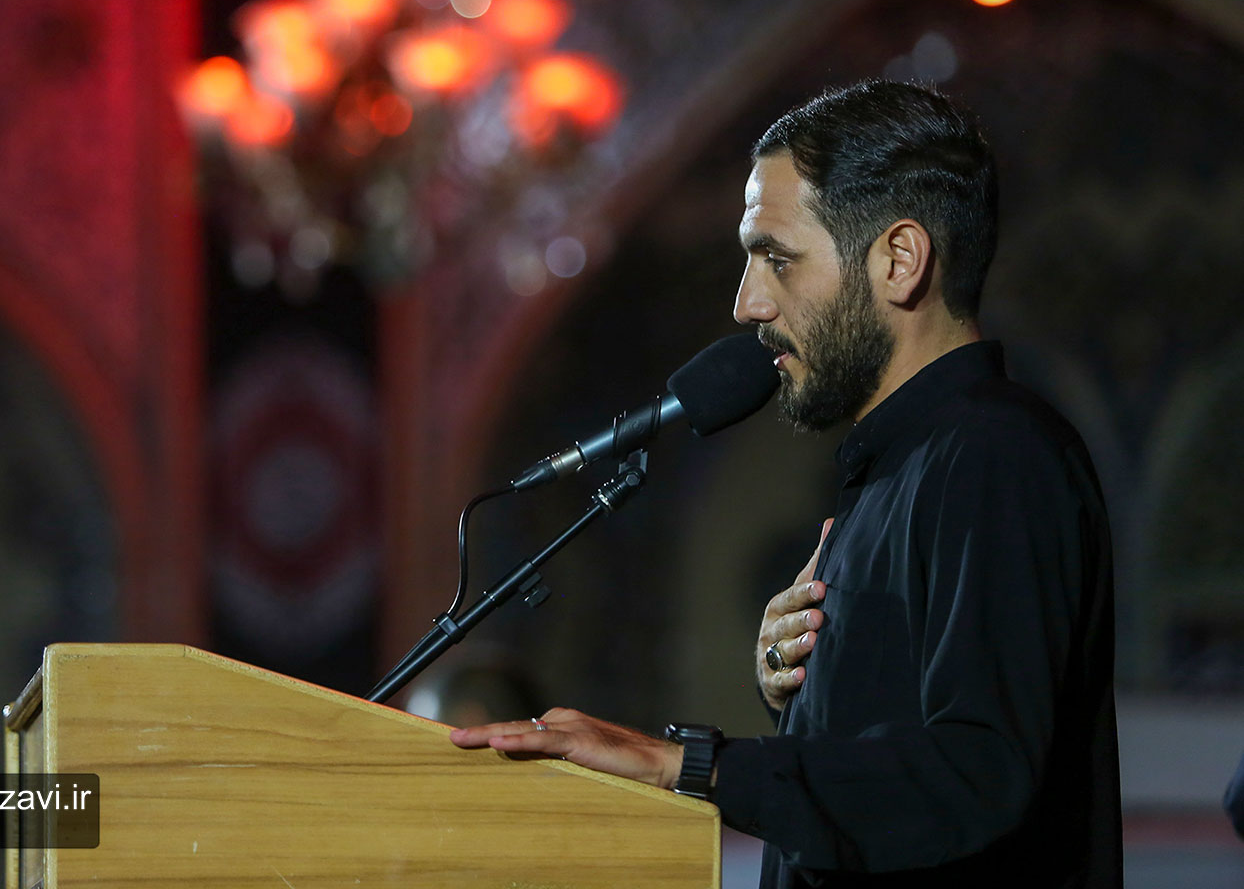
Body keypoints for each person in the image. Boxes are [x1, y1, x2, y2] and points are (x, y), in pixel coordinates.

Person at [450, 80, 1122, 887]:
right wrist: (812, 694)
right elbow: (904, 764)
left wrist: (685, 764)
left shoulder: (995, 453)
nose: (747, 304)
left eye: (777, 258)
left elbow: (976, 775)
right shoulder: (903, 467)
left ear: (900, 260)